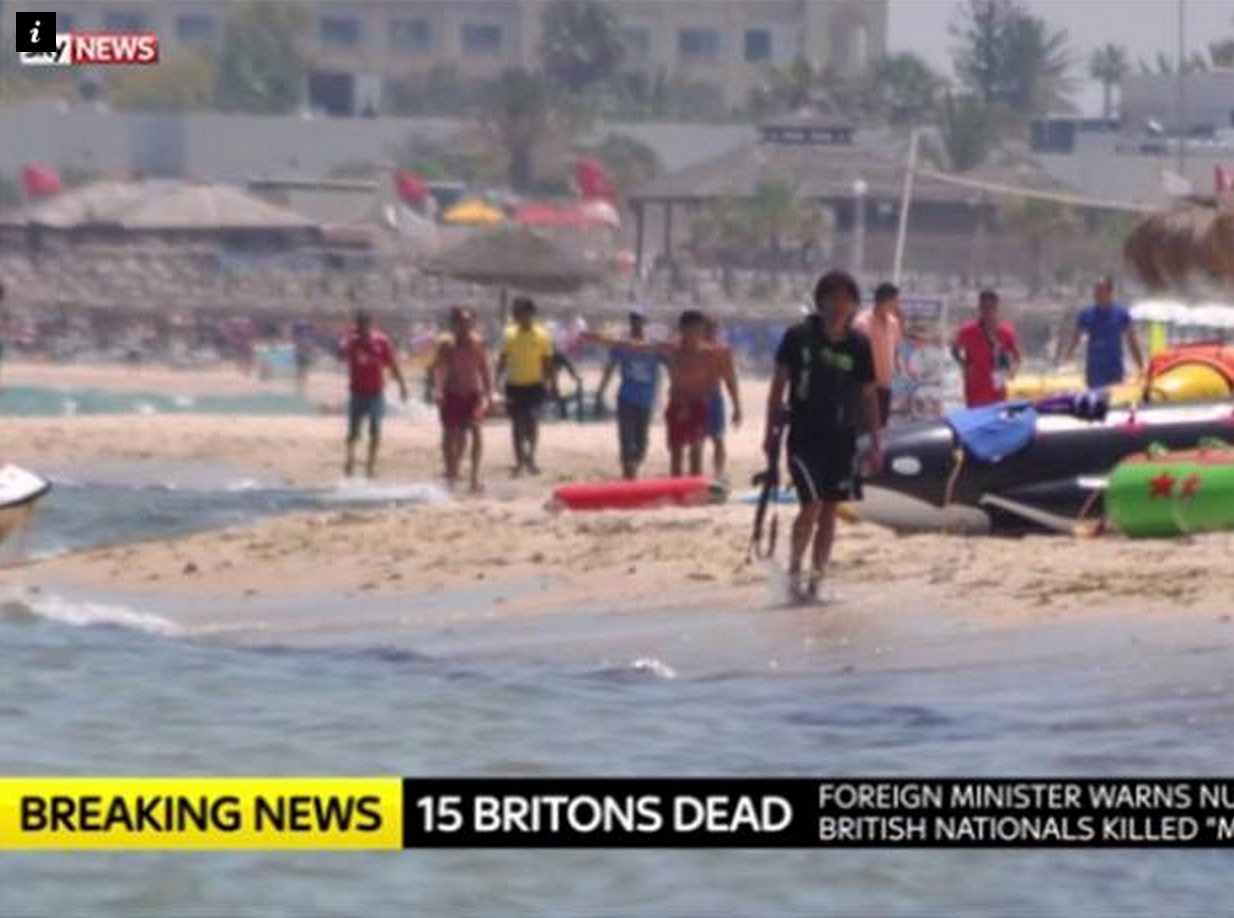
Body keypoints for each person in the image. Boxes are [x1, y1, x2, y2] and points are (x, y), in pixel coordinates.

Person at [764, 271, 883, 603]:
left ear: (853, 304)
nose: (839, 305)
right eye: (832, 298)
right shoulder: (799, 336)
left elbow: (869, 395)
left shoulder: (859, 345)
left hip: (842, 438)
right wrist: (769, 433)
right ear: (821, 301)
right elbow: (778, 386)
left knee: (830, 511)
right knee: (811, 505)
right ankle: (793, 575)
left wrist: (876, 442)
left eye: (846, 299)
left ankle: (815, 582)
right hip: (804, 435)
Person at [584, 310, 728, 477]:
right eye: (697, 330)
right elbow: (635, 346)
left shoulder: (711, 352)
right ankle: (676, 487)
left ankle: (696, 485)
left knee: (696, 451)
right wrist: (601, 339)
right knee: (676, 453)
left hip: (698, 405)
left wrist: (731, 402)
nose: (701, 334)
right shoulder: (672, 348)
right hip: (676, 405)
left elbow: (723, 377)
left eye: (702, 330)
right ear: (684, 330)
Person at [595, 307, 663, 480]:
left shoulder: (653, 346)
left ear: (645, 322)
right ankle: (628, 474)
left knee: (642, 442)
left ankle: (634, 466)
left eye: (638, 319)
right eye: (632, 319)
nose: (635, 323)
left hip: (646, 400)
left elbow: (671, 364)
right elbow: (610, 368)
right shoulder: (622, 345)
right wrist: (600, 391)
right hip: (626, 397)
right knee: (626, 438)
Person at [430, 308, 491, 493]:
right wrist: (438, 391)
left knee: (476, 431)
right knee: (451, 435)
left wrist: (489, 393)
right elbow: (438, 370)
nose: (464, 326)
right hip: (452, 394)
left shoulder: (478, 343)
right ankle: (451, 472)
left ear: (472, 324)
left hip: (472, 394)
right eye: (460, 323)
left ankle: (474, 477)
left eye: (467, 322)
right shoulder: (447, 345)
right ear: (453, 325)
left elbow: (484, 369)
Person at [341, 309, 407, 478]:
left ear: (370, 324)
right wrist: (350, 338)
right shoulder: (352, 343)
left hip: (375, 392)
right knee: (354, 431)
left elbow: (392, 364)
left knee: (375, 429)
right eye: (359, 325)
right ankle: (350, 458)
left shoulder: (381, 341)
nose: (362, 328)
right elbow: (342, 355)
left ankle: (370, 465)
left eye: (365, 324)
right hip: (357, 392)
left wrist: (402, 385)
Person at [496, 297, 553, 476]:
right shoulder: (509, 334)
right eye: (516, 312)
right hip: (514, 385)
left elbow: (547, 361)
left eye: (521, 312)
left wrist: (550, 383)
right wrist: (496, 380)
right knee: (517, 423)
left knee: (532, 420)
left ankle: (531, 457)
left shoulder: (542, 334)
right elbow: (503, 359)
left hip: (535, 384)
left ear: (531, 313)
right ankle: (520, 460)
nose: (518, 315)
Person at [1058, 276, 1144, 389]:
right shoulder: (1086, 314)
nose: (1097, 293)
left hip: (1114, 369)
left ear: (1110, 292)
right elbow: (1075, 339)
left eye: (1100, 290)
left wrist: (1140, 366)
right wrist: (1066, 358)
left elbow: (1132, 341)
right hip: (1094, 370)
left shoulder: (1121, 314)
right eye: (1096, 290)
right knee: (1095, 397)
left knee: (1113, 397)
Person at [951, 289, 1021, 407]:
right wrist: (964, 366)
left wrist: (1012, 370)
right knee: (976, 416)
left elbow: (1017, 356)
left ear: (996, 308)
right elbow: (954, 350)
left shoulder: (1006, 332)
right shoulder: (968, 331)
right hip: (975, 388)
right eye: (984, 308)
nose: (988, 312)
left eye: (991, 308)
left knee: (997, 416)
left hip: (997, 390)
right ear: (979, 308)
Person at [852, 282, 905, 428]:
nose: (897, 305)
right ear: (884, 301)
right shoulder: (861, 323)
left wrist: (899, 367)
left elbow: (896, 347)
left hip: (885, 384)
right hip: (865, 387)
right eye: (895, 301)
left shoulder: (894, 323)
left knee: (881, 427)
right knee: (863, 428)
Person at [702, 315, 743, 479]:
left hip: (713, 398)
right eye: (706, 331)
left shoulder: (722, 351)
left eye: (712, 330)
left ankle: (718, 473)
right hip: (695, 398)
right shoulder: (693, 350)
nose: (709, 334)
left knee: (718, 438)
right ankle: (694, 474)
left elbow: (730, 379)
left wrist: (737, 407)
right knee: (695, 440)